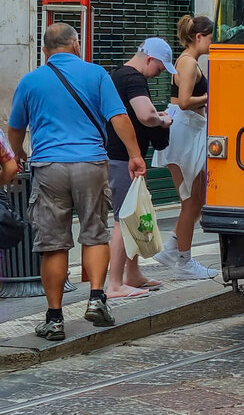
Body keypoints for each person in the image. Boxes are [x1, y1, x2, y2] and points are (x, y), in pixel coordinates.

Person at [6, 23, 146, 341]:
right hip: (91, 164)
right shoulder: (96, 74)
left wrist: (19, 153)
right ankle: (97, 299)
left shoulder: (31, 80)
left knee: (53, 244)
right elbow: (119, 117)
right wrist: (135, 155)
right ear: (76, 44)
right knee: (95, 234)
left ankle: (54, 320)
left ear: (45, 51)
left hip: (49, 166)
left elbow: (15, 127)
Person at [105, 39, 176, 298]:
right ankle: (114, 284)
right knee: (123, 219)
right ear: (149, 59)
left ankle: (132, 274)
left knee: (131, 215)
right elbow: (145, 115)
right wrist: (163, 119)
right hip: (123, 157)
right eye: (159, 67)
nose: (160, 73)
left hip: (119, 155)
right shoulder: (134, 78)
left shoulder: (116, 74)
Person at [153, 15, 218, 279]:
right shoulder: (189, 63)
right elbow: (183, 101)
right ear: (199, 37)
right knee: (191, 201)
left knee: (196, 199)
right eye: (211, 38)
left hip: (189, 131)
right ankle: (184, 262)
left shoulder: (188, 61)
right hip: (185, 131)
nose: (213, 43)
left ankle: (172, 250)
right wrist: (212, 94)